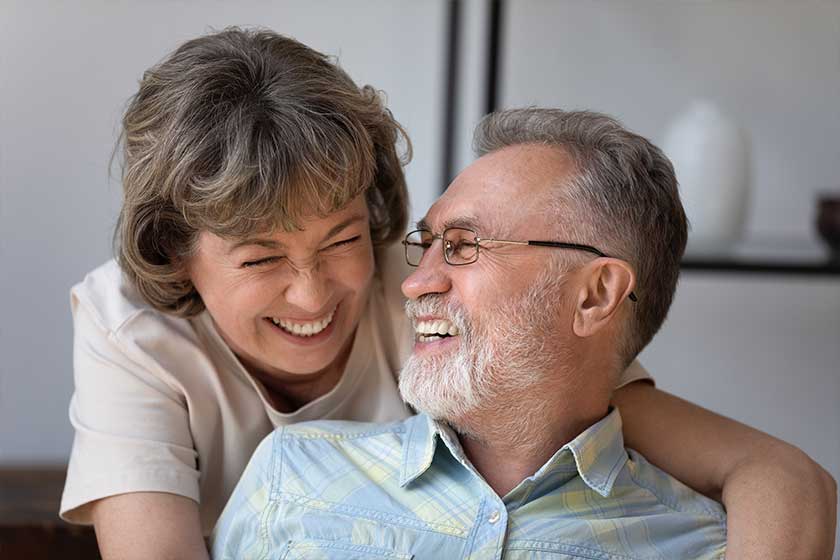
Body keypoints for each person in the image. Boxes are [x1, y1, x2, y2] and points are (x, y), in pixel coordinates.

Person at [60, 28, 836, 560]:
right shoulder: (130, 330)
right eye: (262, 258)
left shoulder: (427, 294)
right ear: (177, 254)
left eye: (342, 240)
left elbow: (764, 468)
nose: (313, 293)